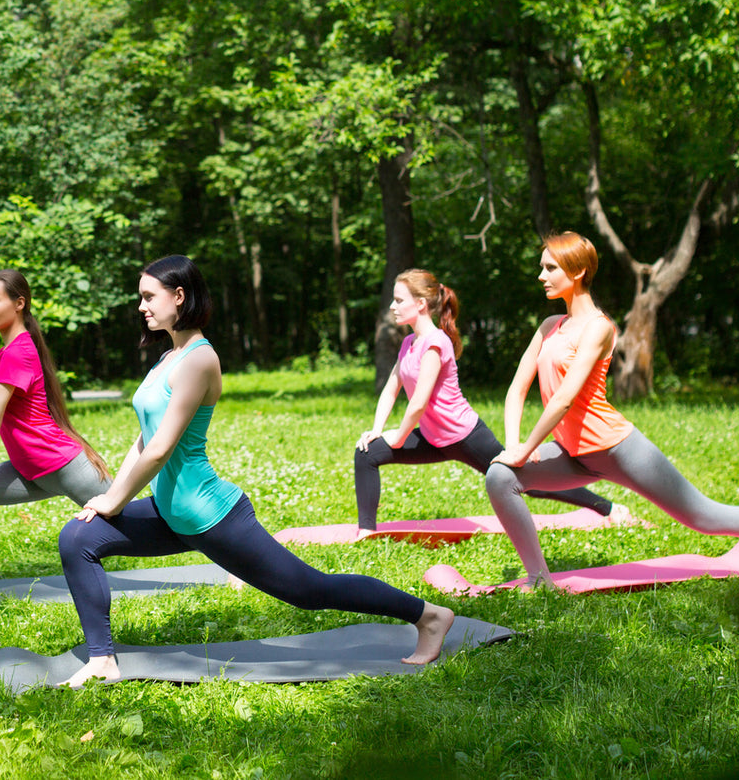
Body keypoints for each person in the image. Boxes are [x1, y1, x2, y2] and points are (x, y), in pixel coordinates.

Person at [58, 255, 454, 686]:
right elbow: (143, 439)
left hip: (211, 517)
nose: (141, 306)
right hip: (173, 513)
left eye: (149, 296)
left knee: (310, 591)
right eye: (141, 297)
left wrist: (114, 500)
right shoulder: (167, 356)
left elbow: (159, 449)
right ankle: (102, 660)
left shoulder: (199, 359)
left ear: (179, 296)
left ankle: (428, 615)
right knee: (79, 537)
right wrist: (111, 499)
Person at [485, 232, 739, 587]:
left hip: (616, 448)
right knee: (500, 477)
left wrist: (527, 448)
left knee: (705, 517)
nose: (541, 275)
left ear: (577, 271)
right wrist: (513, 445)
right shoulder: (549, 327)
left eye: (549, 267)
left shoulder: (598, 327)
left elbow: (563, 399)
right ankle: (539, 579)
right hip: (572, 452)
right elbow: (516, 389)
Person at [352, 269, 622, 539]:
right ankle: (366, 530)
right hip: (432, 438)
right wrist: (377, 430)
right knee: (367, 452)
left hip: (465, 436)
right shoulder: (409, 343)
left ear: (420, 304)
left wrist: (398, 437)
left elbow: (419, 403)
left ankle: (607, 507)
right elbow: (390, 389)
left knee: (527, 480)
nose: (392, 306)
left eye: (399, 300)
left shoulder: (435, 343)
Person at [0, 269, 112, 603]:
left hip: (62, 467)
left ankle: (232, 558)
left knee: (133, 523)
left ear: (19, 303)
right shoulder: (9, 352)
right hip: (30, 470)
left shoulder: (17, 353)